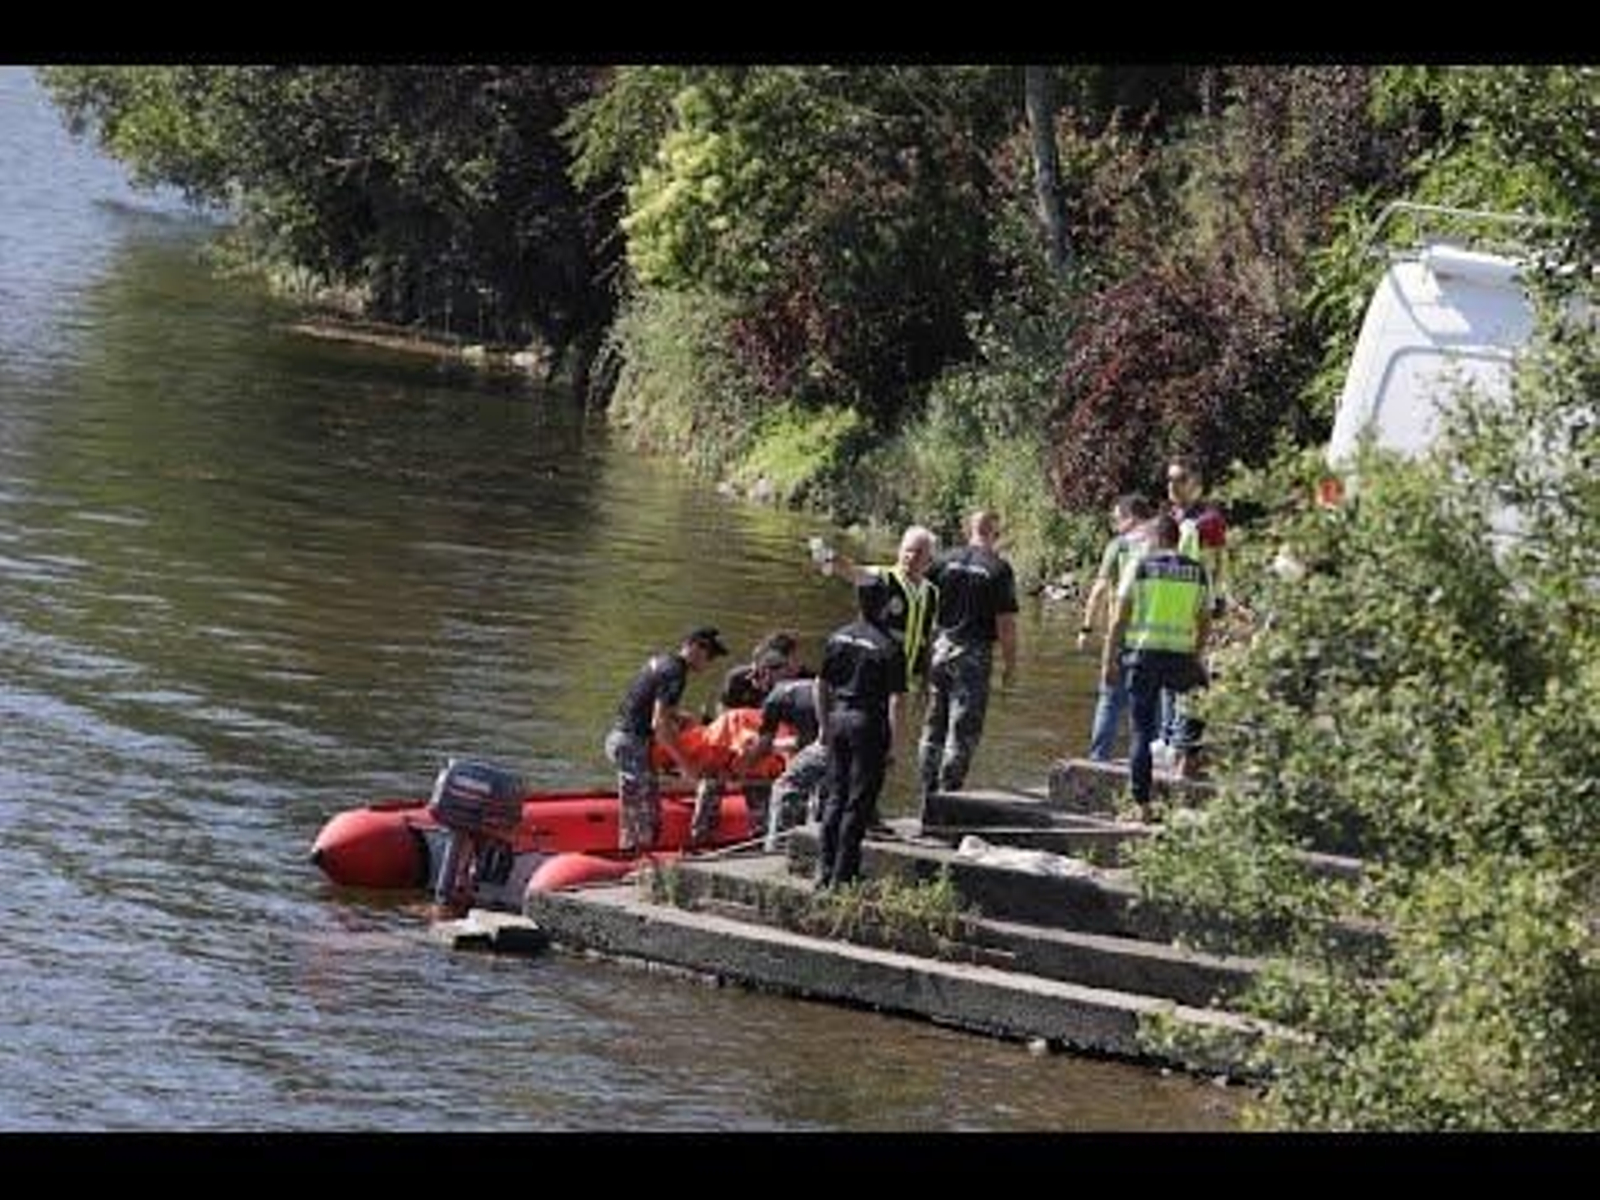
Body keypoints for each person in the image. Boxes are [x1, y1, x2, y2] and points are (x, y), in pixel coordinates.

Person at [1100, 514, 1210, 819]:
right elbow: (1204, 620)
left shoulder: (1140, 566)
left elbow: (1119, 618)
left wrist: (1108, 660)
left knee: (1141, 731)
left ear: (1157, 539)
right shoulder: (1198, 571)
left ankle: (1142, 804)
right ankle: (1186, 757)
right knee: (1202, 698)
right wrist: (1196, 654)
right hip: (1180, 657)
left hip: (1142, 656)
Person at [916, 509, 1019, 815]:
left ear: (967, 530)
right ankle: (949, 796)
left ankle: (926, 793)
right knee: (963, 730)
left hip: (938, 648)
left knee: (933, 726)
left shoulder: (942, 561)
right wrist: (1010, 665)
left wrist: (920, 653)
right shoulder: (998, 569)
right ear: (995, 533)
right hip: (973, 655)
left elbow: (922, 605)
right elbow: (1006, 625)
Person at [604, 626, 729, 853]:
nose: (709, 662)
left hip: (622, 739)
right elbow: (659, 726)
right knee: (646, 819)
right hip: (632, 744)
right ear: (694, 647)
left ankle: (631, 853)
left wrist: (678, 716)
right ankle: (637, 863)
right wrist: (686, 766)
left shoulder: (662, 661)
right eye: (709, 655)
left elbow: (647, 704)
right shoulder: (676, 673)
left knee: (637, 812)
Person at [813, 593, 908, 889]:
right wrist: (894, 744)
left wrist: (824, 725)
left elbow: (821, 684)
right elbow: (897, 701)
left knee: (835, 796)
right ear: (884, 607)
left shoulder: (838, 636)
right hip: (868, 724)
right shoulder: (890, 646)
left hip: (838, 718)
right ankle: (844, 876)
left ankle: (823, 871)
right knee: (859, 802)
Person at [689, 641, 802, 847]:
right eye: (756, 670)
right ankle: (700, 837)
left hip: (762, 747)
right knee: (712, 782)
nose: (757, 677)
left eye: (765, 672)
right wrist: (730, 758)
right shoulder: (737, 679)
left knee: (759, 785)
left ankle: (759, 838)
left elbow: (783, 732)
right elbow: (724, 718)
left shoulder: (783, 689)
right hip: (733, 742)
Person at [1078, 493, 1154, 761]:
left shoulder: (1120, 545)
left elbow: (1099, 590)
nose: (1114, 523)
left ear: (1130, 517)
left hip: (1122, 633)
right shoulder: (1166, 541)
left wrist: (1086, 629)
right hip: (1157, 637)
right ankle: (1147, 763)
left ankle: (1098, 761)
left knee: (1109, 700)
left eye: (1116, 518)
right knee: (1147, 706)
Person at [816, 526, 939, 688]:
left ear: (929, 560)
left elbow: (929, 638)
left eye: (918, 552)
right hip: (875, 675)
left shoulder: (932, 593)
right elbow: (851, 571)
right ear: (899, 550)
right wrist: (822, 552)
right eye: (907, 550)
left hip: (909, 681)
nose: (910, 556)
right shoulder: (881, 577)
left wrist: (927, 680)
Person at [1162, 456, 1228, 760]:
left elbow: (1216, 566)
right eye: (1170, 480)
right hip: (1169, 604)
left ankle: (1179, 742)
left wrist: (1216, 603)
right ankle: (1166, 737)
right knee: (1166, 670)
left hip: (1195, 606)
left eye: (1180, 479)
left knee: (1188, 670)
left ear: (1197, 484)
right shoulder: (1174, 515)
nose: (1172, 486)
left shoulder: (1208, 520)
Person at [731, 666, 827, 850]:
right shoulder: (801, 688)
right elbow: (804, 741)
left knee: (785, 787)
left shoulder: (775, 697)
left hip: (830, 741)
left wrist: (741, 771)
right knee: (821, 790)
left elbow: (763, 746)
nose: (754, 685)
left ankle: (778, 849)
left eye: (756, 678)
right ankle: (818, 842)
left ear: (767, 674)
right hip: (855, 730)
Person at [719, 629, 804, 712]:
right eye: (767, 665)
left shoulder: (804, 682)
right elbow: (724, 711)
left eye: (776, 667)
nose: (768, 673)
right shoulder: (737, 678)